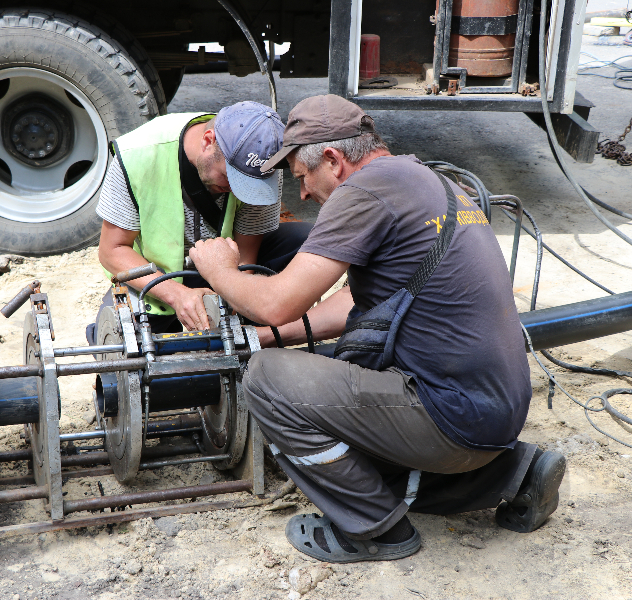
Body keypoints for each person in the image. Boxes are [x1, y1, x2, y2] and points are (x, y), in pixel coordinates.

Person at [189, 94, 566, 563]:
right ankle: (514, 474)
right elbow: (354, 301)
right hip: (494, 414)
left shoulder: (363, 192)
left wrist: (219, 270)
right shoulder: (430, 181)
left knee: (266, 380)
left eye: (303, 178)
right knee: (317, 387)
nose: (302, 195)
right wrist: (268, 338)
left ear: (333, 159)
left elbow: (276, 303)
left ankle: (374, 530)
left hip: (449, 416)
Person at [88, 101, 312, 340]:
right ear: (208, 141)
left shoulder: (262, 166)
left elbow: (247, 253)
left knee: (303, 241)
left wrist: (233, 306)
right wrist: (177, 295)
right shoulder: (138, 154)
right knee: (123, 345)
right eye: (230, 178)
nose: (239, 191)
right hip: (159, 276)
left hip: (225, 266)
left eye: (248, 185)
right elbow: (112, 250)